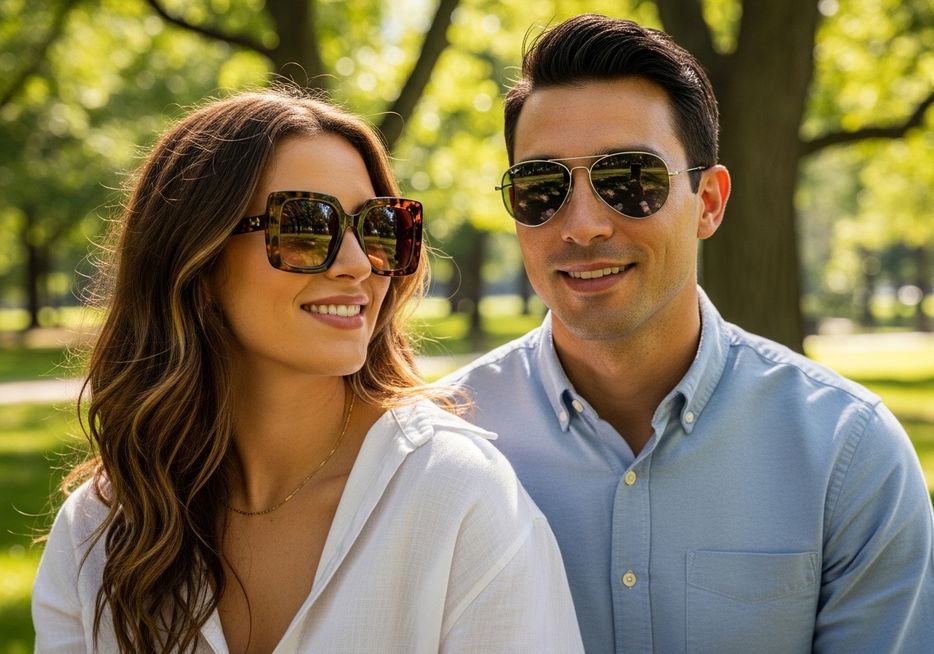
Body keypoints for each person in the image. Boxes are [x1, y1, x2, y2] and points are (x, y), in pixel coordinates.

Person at [442, 14, 934, 653]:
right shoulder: (441, 443)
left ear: (709, 202)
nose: (583, 225)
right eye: (542, 187)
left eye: (630, 180)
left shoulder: (849, 454)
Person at [32, 87, 584, 653]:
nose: (357, 264)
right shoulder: (99, 529)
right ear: (197, 259)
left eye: (377, 227)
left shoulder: (455, 496)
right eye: (305, 228)